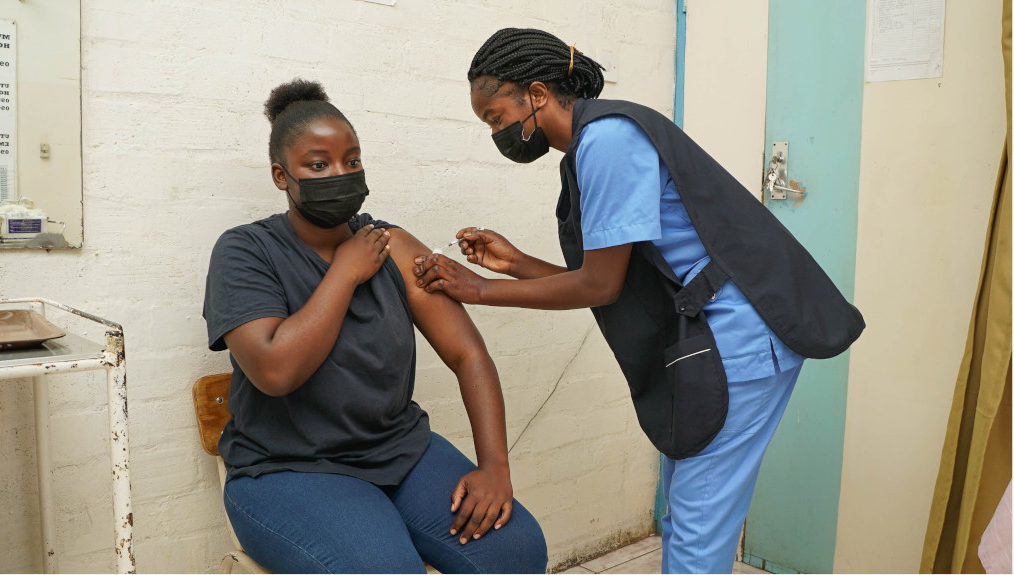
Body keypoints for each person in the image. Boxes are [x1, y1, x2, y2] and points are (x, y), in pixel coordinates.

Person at [411, 28, 865, 574]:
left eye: (494, 116)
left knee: (698, 533)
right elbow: (612, 278)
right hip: (711, 334)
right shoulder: (593, 143)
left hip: (739, 338)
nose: (497, 131)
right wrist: (514, 265)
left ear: (535, 94)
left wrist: (480, 290)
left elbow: (598, 287)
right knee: (685, 519)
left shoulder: (607, 140)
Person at [203, 78, 547, 574]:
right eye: (317, 165)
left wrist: (495, 466)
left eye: (353, 160)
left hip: (400, 450)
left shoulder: (395, 246)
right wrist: (345, 271)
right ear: (282, 176)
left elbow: (467, 354)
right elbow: (276, 372)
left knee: (515, 551)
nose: (340, 174)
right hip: (287, 469)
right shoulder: (245, 252)